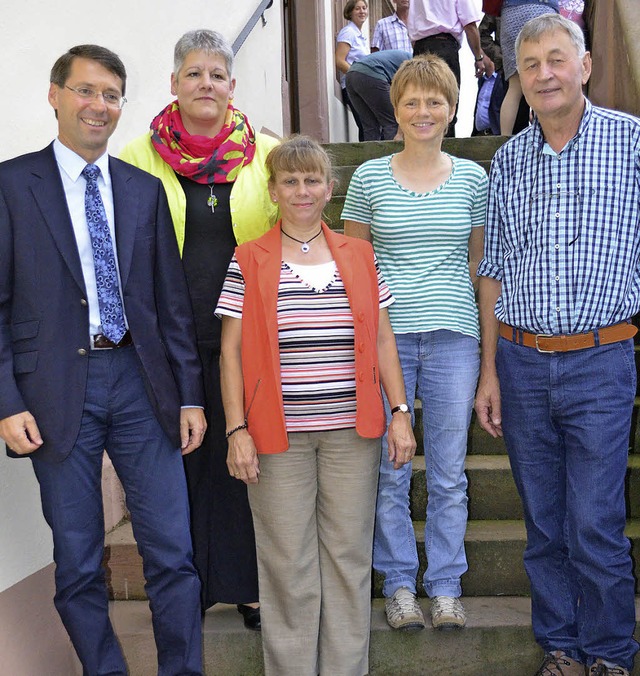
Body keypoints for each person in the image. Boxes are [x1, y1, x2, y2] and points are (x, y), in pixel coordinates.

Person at [0, 44, 206, 674]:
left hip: (142, 387)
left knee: (172, 552)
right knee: (80, 559)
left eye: (111, 95)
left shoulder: (143, 191)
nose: (99, 106)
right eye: (86, 91)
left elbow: (170, 305)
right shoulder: (10, 185)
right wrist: (6, 402)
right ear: (55, 94)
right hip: (55, 392)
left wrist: (191, 393)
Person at [475, 14, 639, 676]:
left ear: (585, 66)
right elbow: (492, 272)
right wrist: (488, 370)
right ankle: (563, 648)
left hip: (601, 360)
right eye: (531, 64)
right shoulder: (509, 160)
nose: (544, 73)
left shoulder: (631, 143)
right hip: (518, 361)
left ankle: (611, 654)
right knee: (543, 524)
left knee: (595, 523)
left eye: (556, 59)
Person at [216, 135, 416, 676]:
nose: (302, 190)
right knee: (287, 565)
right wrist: (236, 429)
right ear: (274, 190)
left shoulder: (359, 253)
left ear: (330, 189)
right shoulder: (248, 257)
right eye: (290, 180)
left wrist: (400, 412)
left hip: (353, 433)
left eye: (312, 180)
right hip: (275, 437)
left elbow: (383, 340)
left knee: (348, 562)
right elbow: (230, 351)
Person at [120, 29, 278, 630]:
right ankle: (186, 587)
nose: (205, 83)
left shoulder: (268, 154)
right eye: (193, 73)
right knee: (178, 467)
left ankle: (248, 585)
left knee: (243, 465)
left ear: (232, 87)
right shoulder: (137, 157)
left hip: (246, 341)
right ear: (174, 84)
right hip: (167, 345)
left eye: (216, 74)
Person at [343, 54, 488, 632]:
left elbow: (481, 271)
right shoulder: (369, 179)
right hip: (388, 340)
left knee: (450, 471)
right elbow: (356, 273)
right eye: (411, 101)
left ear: (451, 110)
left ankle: (446, 584)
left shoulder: (475, 179)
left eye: (435, 101)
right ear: (394, 110)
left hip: (456, 337)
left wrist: (490, 358)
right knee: (390, 466)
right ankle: (400, 582)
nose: (423, 111)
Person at [408, 0, 494, 135]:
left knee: (422, 102)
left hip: (420, 48)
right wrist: (478, 57)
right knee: (447, 103)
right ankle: (445, 147)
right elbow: (470, 25)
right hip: (444, 46)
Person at [499, 0, 559, 135]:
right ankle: (549, 136)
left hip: (511, 13)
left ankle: (503, 139)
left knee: (514, 88)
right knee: (546, 82)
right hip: (542, 10)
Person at [345, 49, 412, 140]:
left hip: (351, 74)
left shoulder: (405, 57)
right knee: (392, 121)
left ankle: (373, 154)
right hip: (371, 72)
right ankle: (392, 153)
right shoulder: (416, 66)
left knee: (370, 126)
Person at [335, 0, 371, 141]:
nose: (362, 11)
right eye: (357, 9)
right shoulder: (348, 32)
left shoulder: (359, 34)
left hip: (362, 86)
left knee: (368, 124)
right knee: (365, 124)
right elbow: (339, 60)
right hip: (353, 86)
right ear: (350, 12)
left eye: (364, 8)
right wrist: (357, 76)